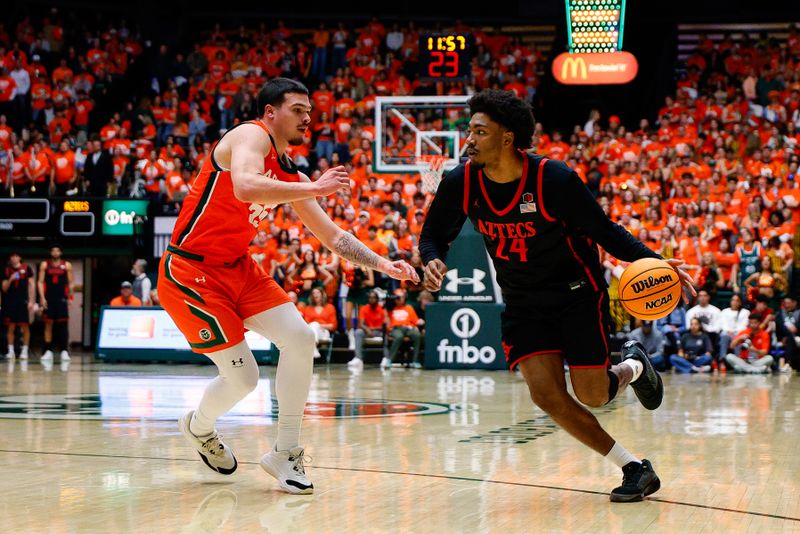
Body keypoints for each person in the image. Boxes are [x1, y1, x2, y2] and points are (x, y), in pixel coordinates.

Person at [418, 89, 695, 502]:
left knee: (593, 394)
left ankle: (635, 365)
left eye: (480, 132)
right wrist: (432, 260)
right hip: (523, 302)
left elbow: (605, 231)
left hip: (576, 295)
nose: (469, 140)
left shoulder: (554, 179)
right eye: (470, 130)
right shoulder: (461, 182)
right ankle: (634, 468)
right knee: (546, 395)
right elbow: (432, 235)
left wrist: (655, 262)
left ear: (508, 138)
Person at [157, 78, 417, 495]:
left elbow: (334, 237)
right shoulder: (250, 135)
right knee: (243, 378)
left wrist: (386, 265)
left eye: (309, 110)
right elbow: (245, 185)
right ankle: (199, 427)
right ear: (270, 112)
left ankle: (285, 452)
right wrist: (314, 187)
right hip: (191, 271)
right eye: (298, 109)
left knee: (300, 338)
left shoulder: (291, 173)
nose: (307, 117)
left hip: (239, 268)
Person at [37, 245, 73, 363]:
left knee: (63, 325)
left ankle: (64, 350)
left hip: (62, 298)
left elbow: (71, 282)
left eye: (57, 250)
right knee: (48, 324)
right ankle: (48, 350)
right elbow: (40, 282)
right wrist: (42, 298)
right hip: (49, 298)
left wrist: (70, 297)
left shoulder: (67, 265)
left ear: (61, 252)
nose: (55, 252)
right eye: (53, 250)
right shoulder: (45, 264)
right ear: (50, 252)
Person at [2, 252, 35, 360]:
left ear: (20, 257)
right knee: (10, 327)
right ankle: (10, 351)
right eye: (12, 256)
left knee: (25, 326)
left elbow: (31, 285)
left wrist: (31, 301)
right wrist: (11, 279)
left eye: (16, 256)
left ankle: (24, 351)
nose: (14, 258)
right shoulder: (6, 270)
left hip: (23, 302)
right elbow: (4, 288)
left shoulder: (27, 268)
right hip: (10, 302)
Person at [381, 288, 423, 369]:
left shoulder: (409, 308)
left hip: (408, 327)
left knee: (417, 335)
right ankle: (389, 360)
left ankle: (415, 361)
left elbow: (415, 321)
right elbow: (385, 313)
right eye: (398, 297)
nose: (399, 299)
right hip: (396, 328)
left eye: (401, 297)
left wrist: (419, 322)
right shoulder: (390, 308)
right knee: (399, 337)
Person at [347, 290, 387, 369]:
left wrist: (372, 329)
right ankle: (358, 358)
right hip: (367, 331)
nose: (372, 300)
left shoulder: (382, 309)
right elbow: (361, 324)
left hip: (378, 331)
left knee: (386, 333)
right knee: (358, 332)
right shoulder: (364, 308)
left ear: (377, 299)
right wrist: (367, 329)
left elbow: (384, 325)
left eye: (374, 298)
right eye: (370, 298)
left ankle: (386, 358)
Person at [300, 287, 337, 359]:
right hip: (311, 332)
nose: (315, 294)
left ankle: (313, 348)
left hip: (324, 332)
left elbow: (333, 326)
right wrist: (316, 326)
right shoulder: (308, 308)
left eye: (317, 292)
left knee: (315, 324)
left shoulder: (330, 307)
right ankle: (314, 348)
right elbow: (307, 324)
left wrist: (319, 326)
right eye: (313, 293)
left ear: (322, 294)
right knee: (314, 325)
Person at [717, 293, 750, 367]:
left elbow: (744, 325)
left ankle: (738, 360)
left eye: (737, 300)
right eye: (733, 300)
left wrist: (735, 333)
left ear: (740, 302)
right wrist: (729, 331)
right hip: (727, 333)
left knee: (739, 337)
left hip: (739, 333)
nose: (734, 302)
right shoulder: (725, 311)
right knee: (724, 336)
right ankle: (722, 360)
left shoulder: (745, 312)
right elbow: (722, 324)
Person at [773, 295, 799, 372]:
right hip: (785, 338)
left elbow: (796, 328)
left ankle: (788, 363)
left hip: (798, 336)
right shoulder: (781, 313)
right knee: (790, 338)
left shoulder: (799, 312)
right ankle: (787, 364)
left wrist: (796, 328)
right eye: (785, 303)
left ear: (794, 303)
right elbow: (780, 325)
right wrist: (787, 333)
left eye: (788, 303)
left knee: (791, 338)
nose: (786, 305)